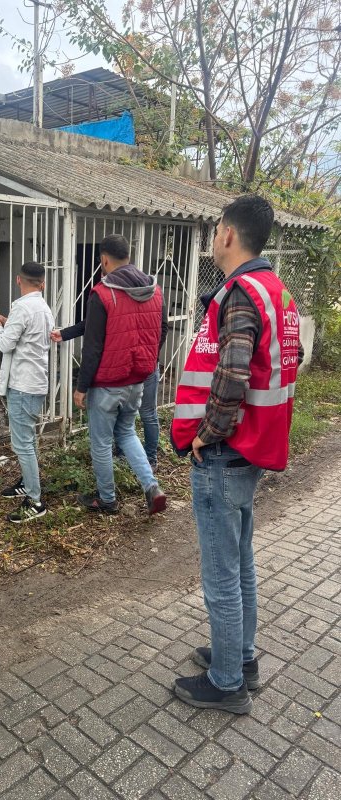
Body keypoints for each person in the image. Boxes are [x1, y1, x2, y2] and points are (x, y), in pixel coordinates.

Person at [171, 195, 301, 714]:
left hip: (223, 453)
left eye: (215, 228)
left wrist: (206, 433)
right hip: (250, 450)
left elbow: (235, 370)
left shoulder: (242, 293)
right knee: (241, 561)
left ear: (228, 234)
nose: (213, 235)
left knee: (221, 573)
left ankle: (228, 684)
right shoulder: (275, 291)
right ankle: (240, 656)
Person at [70, 234, 167, 516]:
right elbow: (162, 332)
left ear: (104, 259)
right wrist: (147, 358)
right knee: (125, 432)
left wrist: (81, 386)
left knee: (101, 441)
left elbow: (93, 346)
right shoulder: (154, 289)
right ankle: (151, 486)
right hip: (137, 379)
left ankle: (107, 499)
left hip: (107, 385)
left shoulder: (103, 293)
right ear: (129, 256)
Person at [52, 291, 168, 469]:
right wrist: (66, 333)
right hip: (135, 365)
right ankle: (125, 456)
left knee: (146, 414)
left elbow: (164, 327)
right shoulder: (127, 295)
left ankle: (150, 459)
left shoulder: (151, 294)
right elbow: (93, 325)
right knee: (126, 419)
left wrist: (151, 354)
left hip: (144, 366)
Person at [0, 262, 54, 523]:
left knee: (22, 445)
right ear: (43, 283)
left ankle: (35, 500)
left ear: (18, 280)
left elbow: (4, 344)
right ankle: (27, 484)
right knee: (28, 441)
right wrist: (7, 323)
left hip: (23, 385)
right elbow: (28, 337)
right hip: (36, 383)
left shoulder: (22, 307)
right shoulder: (43, 308)